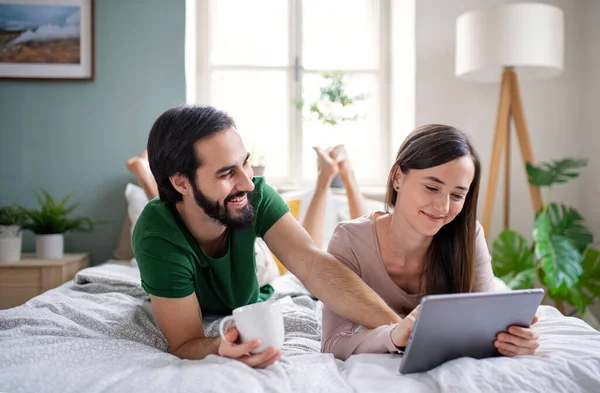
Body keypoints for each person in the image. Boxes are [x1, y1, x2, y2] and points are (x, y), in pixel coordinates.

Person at [131, 104, 405, 369]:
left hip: (257, 267)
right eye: (227, 173)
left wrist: (399, 328)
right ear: (180, 182)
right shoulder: (156, 235)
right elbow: (185, 343)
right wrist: (218, 347)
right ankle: (145, 175)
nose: (248, 183)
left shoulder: (256, 195)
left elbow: (311, 263)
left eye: (246, 163)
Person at [321, 124, 541, 361]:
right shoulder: (349, 241)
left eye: (457, 195)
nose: (443, 207)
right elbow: (333, 341)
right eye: (432, 187)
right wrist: (393, 336)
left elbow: (486, 326)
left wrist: (513, 341)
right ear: (397, 177)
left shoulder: (469, 235)